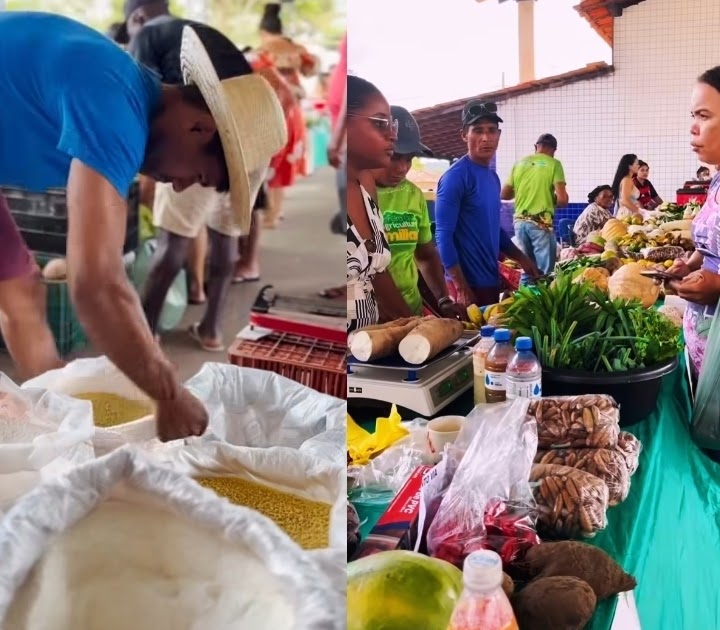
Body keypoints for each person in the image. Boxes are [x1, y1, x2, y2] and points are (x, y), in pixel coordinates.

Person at [0, 12, 284, 440]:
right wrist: (166, 394)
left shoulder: (126, 93)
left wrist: (154, 373)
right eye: (199, 174)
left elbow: (109, 277)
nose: (182, 185)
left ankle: (60, 430)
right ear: (199, 126)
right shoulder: (115, 108)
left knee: (20, 293)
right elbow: (97, 285)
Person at [125, 4, 278, 349]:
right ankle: (211, 330)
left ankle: (144, 336)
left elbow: (143, 111)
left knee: (174, 240)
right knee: (226, 235)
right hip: (255, 141)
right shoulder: (202, 34)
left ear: (137, 17)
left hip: (206, 147)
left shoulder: (146, 35)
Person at [434, 100, 541, 308]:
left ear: (499, 135)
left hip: (489, 280)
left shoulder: (493, 178)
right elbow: (443, 236)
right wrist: (461, 287)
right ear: (464, 135)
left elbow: (495, 229)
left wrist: (523, 259)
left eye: (492, 130)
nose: (486, 138)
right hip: (467, 286)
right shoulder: (455, 177)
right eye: (478, 130)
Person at [373, 106, 465, 320]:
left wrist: (443, 299)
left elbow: (425, 255)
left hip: (411, 310)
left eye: (409, 159)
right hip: (372, 319)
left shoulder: (413, 195)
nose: (402, 168)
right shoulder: (354, 194)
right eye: (395, 157)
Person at [668, 66, 720, 378]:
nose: (693, 127)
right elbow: (712, 243)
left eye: (703, 115)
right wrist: (689, 265)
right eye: (693, 115)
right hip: (705, 351)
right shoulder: (716, 181)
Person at [256, 2, 320, 228]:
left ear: (262, 31)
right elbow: (312, 69)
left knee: (268, 162)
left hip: (269, 112)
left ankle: (271, 215)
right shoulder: (296, 48)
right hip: (292, 112)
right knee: (281, 165)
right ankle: (275, 211)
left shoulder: (261, 51)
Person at [346, 76, 395, 333]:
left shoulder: (365, 185)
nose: (392, 135)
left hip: (364, 349)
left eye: (391, 124)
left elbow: (377, 275)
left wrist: (417, 325)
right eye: (379, 123)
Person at [501, 133, 568, 282]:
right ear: (554, 150)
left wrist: (524, 190)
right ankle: (541, 296)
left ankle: (525, 296)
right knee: (544, 274)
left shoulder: (519, 163)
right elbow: (562, 200)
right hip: (540, 223)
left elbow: (504, 194)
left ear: (535, 147)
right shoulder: (554, 164)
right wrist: (551, 199)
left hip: (519, 223)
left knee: (528, 268)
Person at [611, 154, 642, 219]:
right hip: (626, 215)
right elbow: (624, 200)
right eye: (637, 164)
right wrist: (640, 212)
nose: (639, 166)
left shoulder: (628, 179)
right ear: (630, 166)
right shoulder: (627, 180)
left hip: (629, 213)